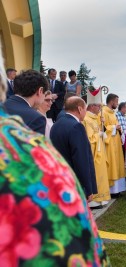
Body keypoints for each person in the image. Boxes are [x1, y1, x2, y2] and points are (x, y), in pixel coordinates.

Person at [0, 52, 109, 266]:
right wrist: (86, 190)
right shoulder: (32, 121)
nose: (49, 103)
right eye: (47, 98)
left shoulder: (53, 120)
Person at [50, 97, 97, 200]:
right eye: (85, 109)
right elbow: (81, 160)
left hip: (61, 178)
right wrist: (88, 189)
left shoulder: (56, 125)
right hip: (75, 182)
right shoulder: (77, 127)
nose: (86, 112)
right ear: (80, 109)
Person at [82, 91, 111, 209]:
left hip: (99, 151)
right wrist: (99, 135)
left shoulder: (94, 118)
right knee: (96, 175)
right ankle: (95, 200)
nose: (100, 108)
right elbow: (89, 138)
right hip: (94, 153)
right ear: (92, 106)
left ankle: (102, 199)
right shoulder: (87, 119)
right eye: (98, 106)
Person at [4, 69, 47, 135]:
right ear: (40, 91)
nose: (44, 98)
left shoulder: (2, 105)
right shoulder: (36, 119)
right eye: (45, 94)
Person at [103, 93, 126, 198]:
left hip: (116, 141)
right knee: (112, 165)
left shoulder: (112, 113)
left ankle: (118, 189)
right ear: (112, 101)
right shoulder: (103, 112)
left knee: (118, 164)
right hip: (109, 143)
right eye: (116, 102)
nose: (117, 104)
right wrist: (114, 127)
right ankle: (113, 190)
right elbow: (103, 128)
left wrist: (118, 128)